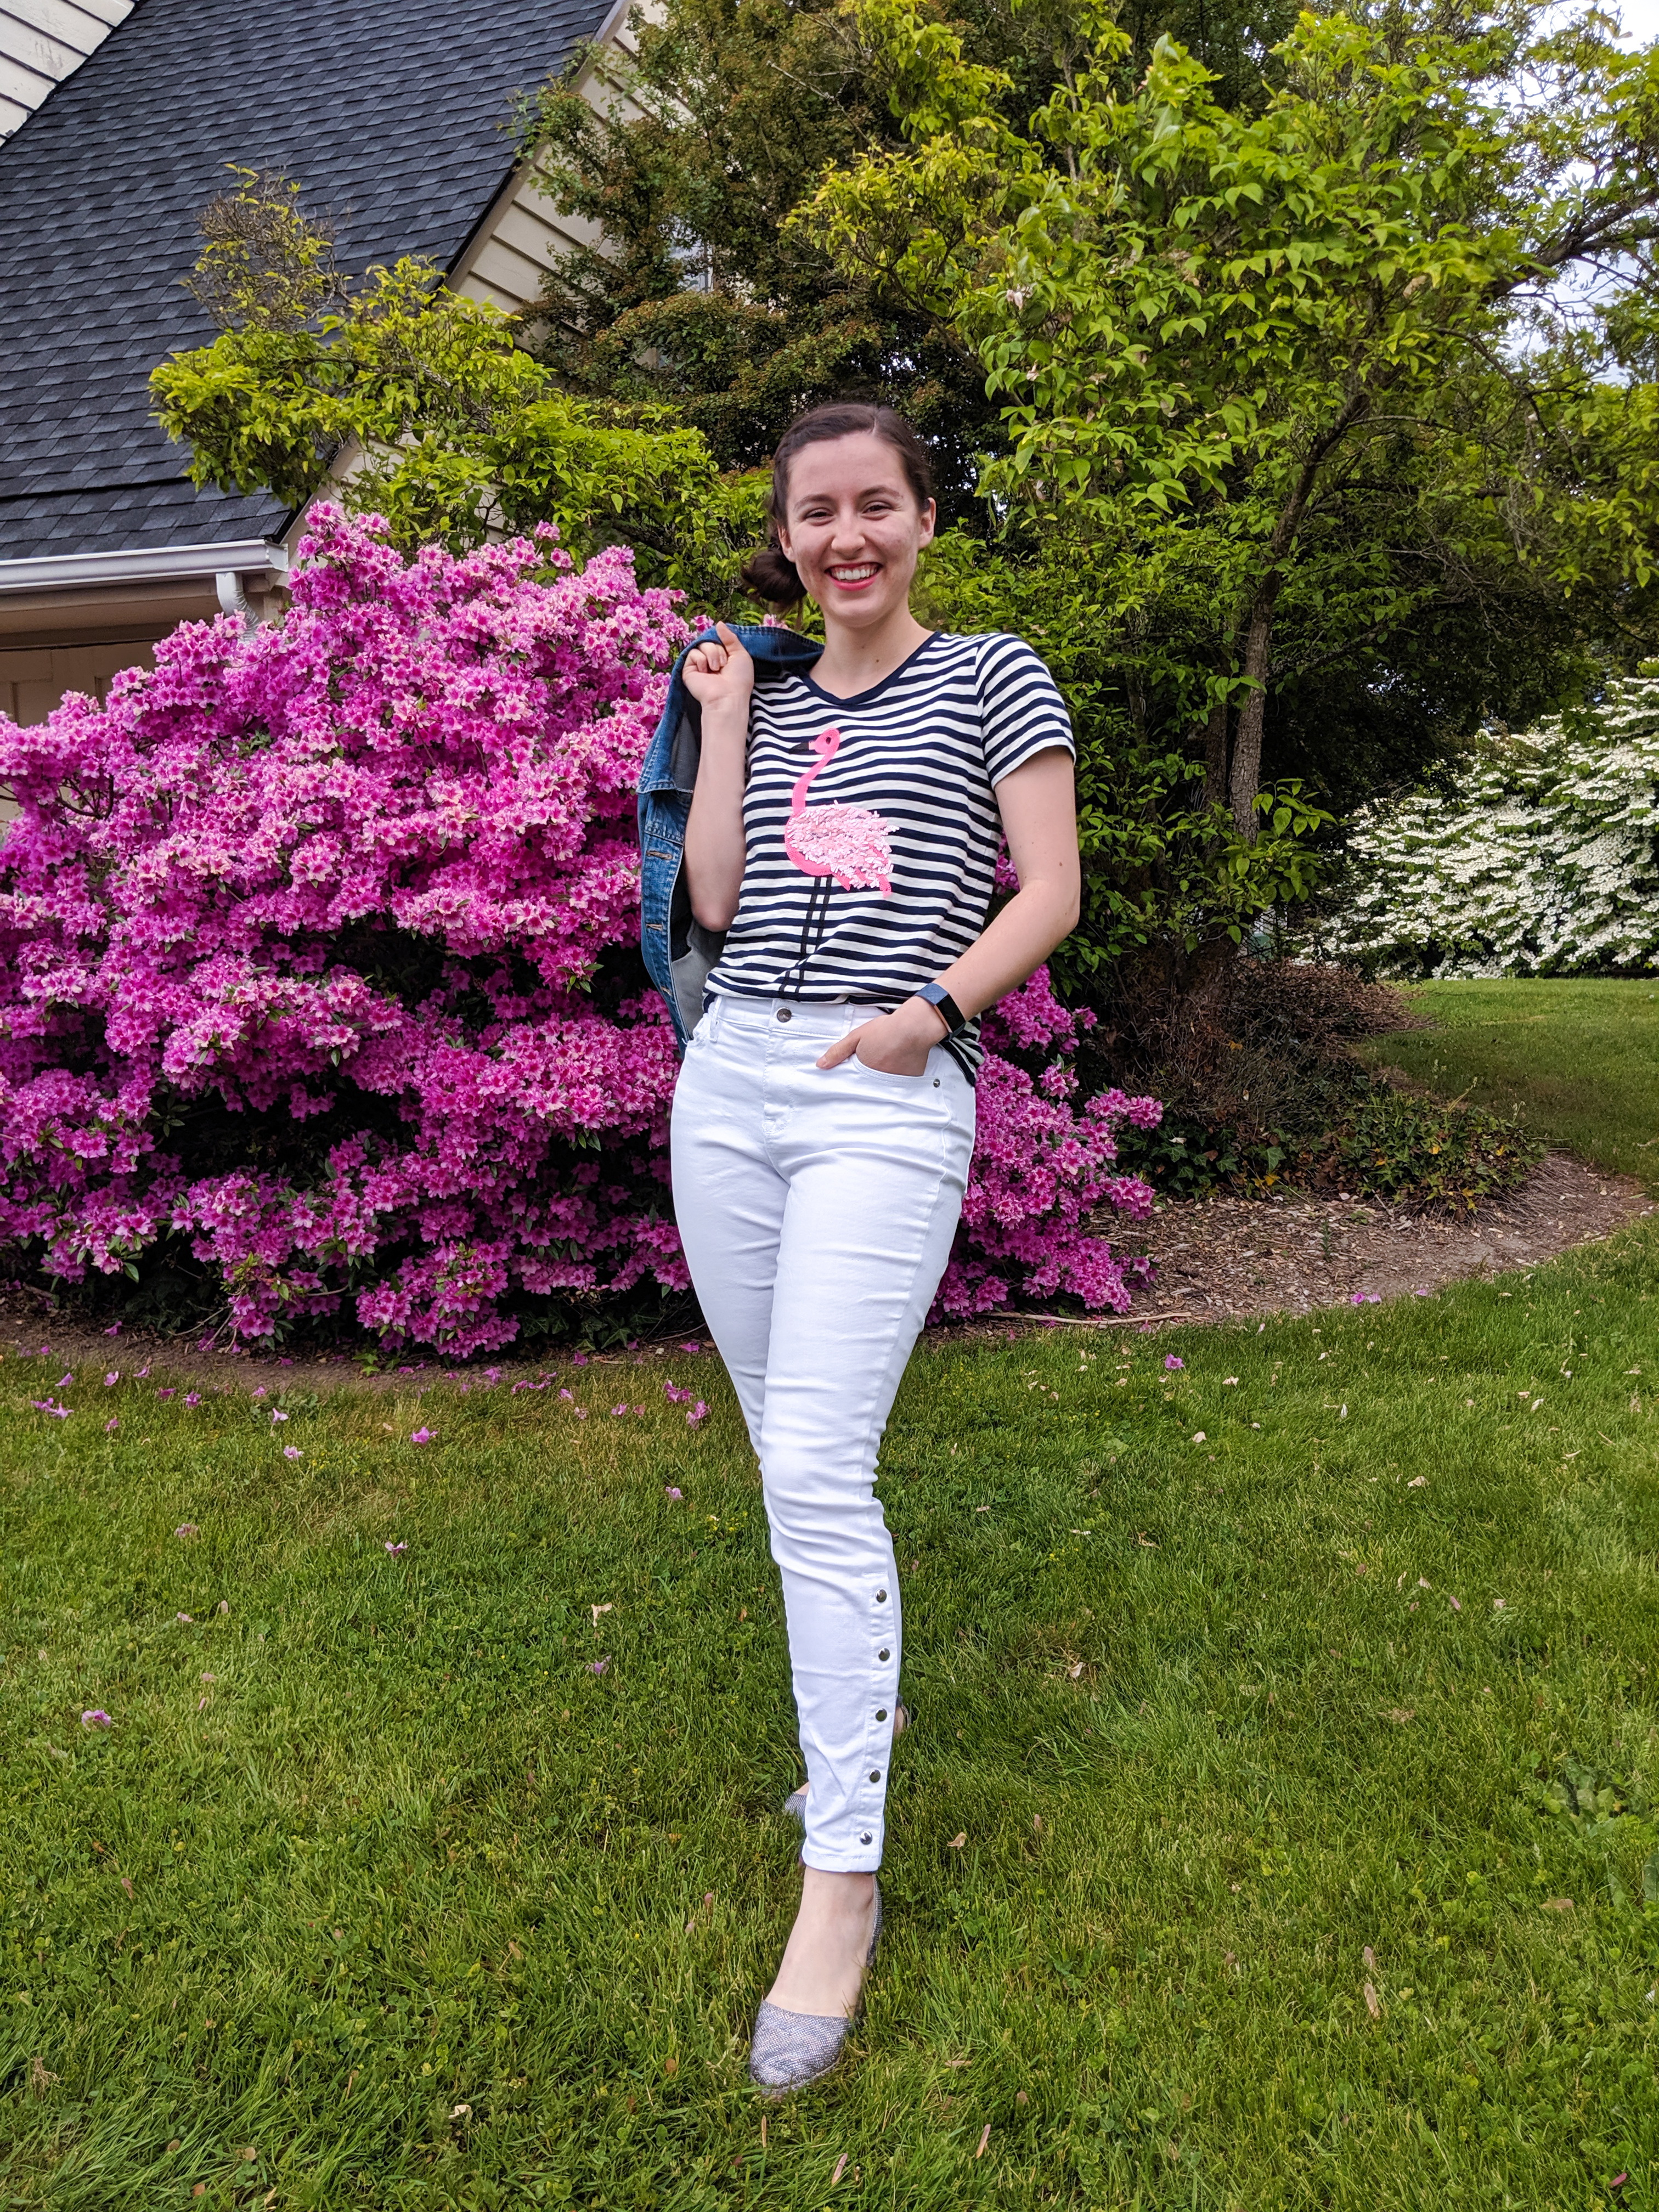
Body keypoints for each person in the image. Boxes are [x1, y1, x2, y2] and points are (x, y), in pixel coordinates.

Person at [661, 402, 1081, 2092]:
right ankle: (866, 1715)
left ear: (923, 519)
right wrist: (725, 726)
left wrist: (931, 1015)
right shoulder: (758, 693)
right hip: (729, 1077)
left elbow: (1047, 889)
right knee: (786, 1454)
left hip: (878, 1084)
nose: (847, 537)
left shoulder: (991, 676)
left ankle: (841, 1879)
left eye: (877, 506)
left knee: (821, 1475)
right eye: (817, 513)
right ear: (787, 536)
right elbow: (711, 903)